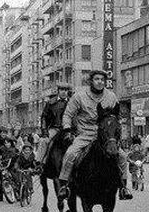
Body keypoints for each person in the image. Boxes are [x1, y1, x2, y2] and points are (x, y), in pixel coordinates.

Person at [57, 70, 133, 201]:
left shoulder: (111, 96)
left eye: (102, 80)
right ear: (91, 81)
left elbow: (116, 118)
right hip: (85, 134)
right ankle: (65, 186)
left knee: (122, 156)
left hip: (105, 137)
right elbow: (68, 115)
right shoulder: (79, 96)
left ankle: (123, 188)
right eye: (97, 79)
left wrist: (116, 134)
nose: (100, 82)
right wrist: (67, 129)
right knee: (70, 153)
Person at [36, 82, 71, 169]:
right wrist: (44, 131)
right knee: (44, 141)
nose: (64, 92)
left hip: (69, 129)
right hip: (54, 129)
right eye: (62, 90)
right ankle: (38, 163)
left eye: (66, 90)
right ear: (58, 91)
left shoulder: (72, 102)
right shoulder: (50, 103)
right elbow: (44, 117)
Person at [0, 136, 18, 202]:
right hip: (3, 165)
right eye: (5, 143)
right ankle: (0, 196)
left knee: (15, 178)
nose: (7, 144)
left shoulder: (14, 149)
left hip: (12, 166)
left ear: (11, 143)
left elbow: (18, 157)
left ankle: (17, 194)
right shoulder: (2, 148)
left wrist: (15, 162)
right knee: (2, 181)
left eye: (8, 143)